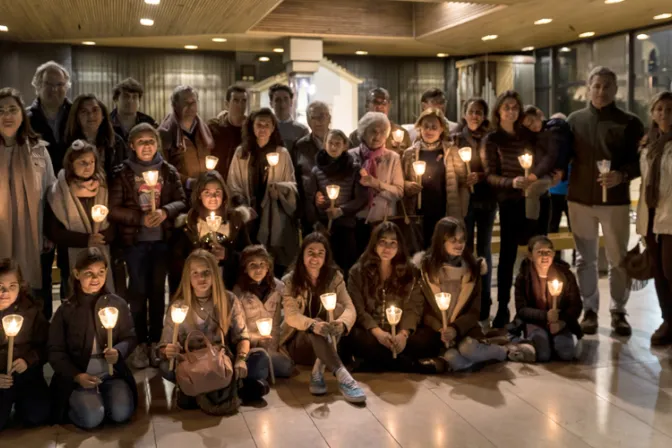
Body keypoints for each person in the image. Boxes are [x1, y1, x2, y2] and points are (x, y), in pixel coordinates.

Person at [567, 66, 644, 336]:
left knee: (618, 258)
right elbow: (561, 155)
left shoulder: (630, 123)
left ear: (616, 89)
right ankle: (589, 309)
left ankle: (618, 311)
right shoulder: (574, 120)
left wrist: (621, 176)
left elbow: (641, 163)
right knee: (584, 258)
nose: (601, 91)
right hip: (579, 200)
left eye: (607, 86)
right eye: (596, 86)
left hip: (616, 203)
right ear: (588, 87)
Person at [109, 123, 187, 369]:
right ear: (131, 145)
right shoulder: (123, 172)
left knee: (157, 292)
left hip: (161, 242)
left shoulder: (167, 171)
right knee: (138, 292)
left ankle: (156, 341)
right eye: (141, 141)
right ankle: (139, 342)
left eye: (151, 141)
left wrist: (164, 211)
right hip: (136, 243)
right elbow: (113, 208)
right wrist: (139, 218)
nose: (146, 146)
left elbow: (181, 201)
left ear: (157, 144)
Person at [160, 250, 271, 410]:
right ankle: (234, 390)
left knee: (260, 358)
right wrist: (168, 350)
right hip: (193, 365)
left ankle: (198, 394)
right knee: (165, 368)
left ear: (215, 274)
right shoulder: (178, 306)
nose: (201, 278)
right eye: (195, 273)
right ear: (188, 277)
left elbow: (242, 337)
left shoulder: (229, 300)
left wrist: (240, 359)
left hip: (222, 363)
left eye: (206, 272)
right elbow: (164, 345)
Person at [48, 248, 137, 429]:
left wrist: (118, 351)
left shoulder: (117, 304)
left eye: (101, 273)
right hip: (80, 377)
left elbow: (130, 337)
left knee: (122, 413)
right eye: (89, 273)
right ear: (76, 274)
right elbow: (55, 351)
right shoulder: (66, 310)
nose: (95, 279)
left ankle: (104, 400)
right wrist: (76, 375)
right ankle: (84, 405)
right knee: (91, 419)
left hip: (111, 375)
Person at [411, 217, 515, 371]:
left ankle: (502, 351)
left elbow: (474, 311)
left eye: (462, 240)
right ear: (441, 240)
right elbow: (424, 309)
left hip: (465, 329)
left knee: (467, 349)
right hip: (439, 332)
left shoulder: (473, 269)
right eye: (453, 240)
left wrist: (455, 328)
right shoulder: (426, 270)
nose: (459, 245)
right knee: (453, 359)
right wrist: (441, 328)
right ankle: (478, 359)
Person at [280, 232, 366, 403]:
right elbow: (291, 316)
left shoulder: (335, 277)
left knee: (339, 310)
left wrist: (342, 324)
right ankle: (344, 377)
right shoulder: (289, 281)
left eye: (320, 253)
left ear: (326, 257)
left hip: (332, 341)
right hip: (301, 342)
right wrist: (312, 325)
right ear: (302, 255)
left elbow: (349, 307)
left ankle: (317, 371)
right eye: (311, 252)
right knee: (318, 324)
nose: (315, 258)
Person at [483, 90, 538, 328]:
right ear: (498, 111)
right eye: (506, 107)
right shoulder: (492, 139)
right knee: (507, 256)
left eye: (515, 107)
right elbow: (490, 175)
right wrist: (512, 182)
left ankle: (531, 307)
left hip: (532, 199)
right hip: (508, 202)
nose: (511, 111)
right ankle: (503, 307)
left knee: (533, 253)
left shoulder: (527, 135)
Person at [0, 88, 56, 317]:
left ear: (22, 114)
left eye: (12, 109)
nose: (7, 116)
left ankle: (35, 346)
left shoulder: (38, 151)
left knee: (35, 296)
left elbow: (51, 192)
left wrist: (49, 232)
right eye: (1, 111)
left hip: (34, 234)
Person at [346, 222, 428, 372]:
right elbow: (358, 309)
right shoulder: (358, 272)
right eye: (382, 242)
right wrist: (377, 332)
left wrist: (403, 334)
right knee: (356, 340)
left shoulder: (410, 272)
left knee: (427, 340)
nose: (387, 248)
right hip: (370, 333)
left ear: (399, 247)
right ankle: (405, 364)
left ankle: (375, 363)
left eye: (393, 243)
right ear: (374, 244)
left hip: (399, 333)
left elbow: (413, 306)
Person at [228, 108, 298, 277]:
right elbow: (233, 183)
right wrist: (243, 206)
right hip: (249, 213)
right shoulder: (242, 153)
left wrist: (280, 190)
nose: (263, 128)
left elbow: (292, 184)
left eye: (267, 125)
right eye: (259, 124)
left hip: (273, 212)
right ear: (252, 127)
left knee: (272, 258)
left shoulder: (281, 153)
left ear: (273, 128)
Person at [45, 140, 115, 294]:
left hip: (101, 254)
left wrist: (104, 236)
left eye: (91, 162)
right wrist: (86, 240)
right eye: (82, 162)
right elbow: (53, 231)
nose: (88, 166)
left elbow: (114, 219)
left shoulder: (103, 187)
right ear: (71, 163)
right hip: (70, 255)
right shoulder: (58, 192)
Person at [453, 97, 497, 327]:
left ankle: (485, 303)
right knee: (466, 250)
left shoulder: (490, 138)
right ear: (464, 113)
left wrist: (480, 176)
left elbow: (494, 165)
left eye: (479, 112)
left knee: (485, 249)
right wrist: (464, 177)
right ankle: (469, 300)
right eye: (471, 111)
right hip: (466, 199)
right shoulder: (456, 138)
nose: (475, 116)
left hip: (487, 197)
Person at [173, 170, 252, 291]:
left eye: (217, 192)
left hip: (228, 286)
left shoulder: (235, 221)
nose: (213, 197)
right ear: (199, 195)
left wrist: (227, 255)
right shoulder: (189, 224)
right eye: (207, 193)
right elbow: (178, 262)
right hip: (198, 289)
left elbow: (248, 255)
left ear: (224, 195)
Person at [402, 108, 469, 247]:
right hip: (418, 210)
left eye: (434, 127)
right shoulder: (409, 154)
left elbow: (463, 181)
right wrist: (407, 185)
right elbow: (401, 180)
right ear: (419, 128)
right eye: (426, 126)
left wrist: (461, 207)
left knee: (442, 249)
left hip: (444, 208)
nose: (429, 130)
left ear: (441, 129)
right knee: (420, 248)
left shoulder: (451, 151)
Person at [635, 91, 672, 345]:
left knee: (671, 269)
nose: (664, 114)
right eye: (659, 109)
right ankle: (668, 320)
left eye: (669, 109)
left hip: (671, 214)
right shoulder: (648, 143)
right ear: (652, 113)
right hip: (650, 214)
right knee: (657, 271)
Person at [305, 129, 368, 275]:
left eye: (338, 144)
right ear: (324, 145)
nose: (333, 147)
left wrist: (341, 210)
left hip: (346, 227)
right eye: (330, 143)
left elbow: (361, 198)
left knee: (346, 266)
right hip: (323, 226)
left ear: (345, 146)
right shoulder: (316, 171)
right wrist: (316, 222)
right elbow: (309, 198)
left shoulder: (354, 169)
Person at [511, 236, 582, 362]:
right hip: (535, 322)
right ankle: (528, 342)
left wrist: (562, 322)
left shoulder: (565, 275)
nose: (545, 256)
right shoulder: (523, 277)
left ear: (554, 254)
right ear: (530, 256)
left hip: (559, 322)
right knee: (543, 355)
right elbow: (522, 310)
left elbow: (576, 305)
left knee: (566, 354)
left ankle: (554, 342)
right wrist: (545, 316)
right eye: (539, 252)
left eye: (548, 252)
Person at [0, 259, 50, 431]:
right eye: (0, 286)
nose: (4, 292)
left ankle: (23, 405)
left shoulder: (31, 311)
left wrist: (28, 361)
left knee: (37, 415)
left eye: (12, 286)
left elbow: (47, 345)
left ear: (20, 287)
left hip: (26, 374)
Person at [233, 245, 294, 378]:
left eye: (262, 264)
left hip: (272, 347)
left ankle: (260, 371)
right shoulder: (239, 293)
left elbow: (277, 324)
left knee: (286, 367)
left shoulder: (278, 288)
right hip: (250, 347)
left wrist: (274, 346)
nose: (258, 269)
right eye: (253, 265)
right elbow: (239, 330)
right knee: (258, 362)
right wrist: (256, 339)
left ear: (268, 267)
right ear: (245, 268)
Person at [349, 112, 404, 254]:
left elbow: (399, 192)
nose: (378, 136)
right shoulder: (350, 156)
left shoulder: (393, 158)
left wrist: (377, 184)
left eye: (382, 132)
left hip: (383, 222)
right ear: (363, 132)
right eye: (373, 131)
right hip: (356, 221)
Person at [159, 85, 214, 193]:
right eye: (185, 102)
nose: (190, 106)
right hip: (179, 193)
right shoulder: (165, 133)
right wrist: (188, 182)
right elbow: (163, 168)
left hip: (204, 192)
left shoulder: (205, 131)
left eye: (193, 102)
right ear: (175, 105)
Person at [64, 93, 128, 183]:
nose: (90, 115)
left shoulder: (117, 142)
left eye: (95, 110)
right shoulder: (67, 144)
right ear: (77, 117)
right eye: (84, 111)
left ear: (103, 115)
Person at [293, 101, 332, 236]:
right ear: (308, 121)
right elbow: (297, 181)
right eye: (313, 117)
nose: (318, 121)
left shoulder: (342, 142)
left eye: (322, 116)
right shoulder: (300, 146)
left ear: (329, 118)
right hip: (310, 216)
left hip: (338, 215)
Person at [349, 88, 411, 156]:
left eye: (384, 103)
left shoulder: (402, 134)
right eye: (375, 102)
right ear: (367, 105)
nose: (380, 106)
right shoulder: (355, 136)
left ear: (389, 105)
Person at [207, 84, 248, 182]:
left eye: (244, 101)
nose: (240, 105)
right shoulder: (214, 127)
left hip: (242, 183)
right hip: (219, 181)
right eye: (236, 100)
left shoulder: (251, 129)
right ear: (227, 104)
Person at [110, 77, 158, 142]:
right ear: (116, 99)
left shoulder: (149, 123)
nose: (130, 100)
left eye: (135, 97)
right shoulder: (106, 122)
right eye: (126, 96)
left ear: (139, 101)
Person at [268, 83, 309, 152]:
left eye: (286, 99)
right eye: (277, 100)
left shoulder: (301, 130)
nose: (282, 104)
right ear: (271, 104)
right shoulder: (265, 128)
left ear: (291, 102)